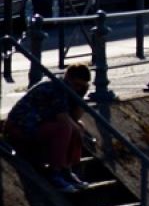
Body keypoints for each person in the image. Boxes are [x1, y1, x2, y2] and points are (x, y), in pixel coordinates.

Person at [4, 64, 92, 192]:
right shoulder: (57, 87)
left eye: (81, 86)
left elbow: (74, 116)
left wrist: (79, 98)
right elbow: (63, 118)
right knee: (67, 127)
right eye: (76, 85)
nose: (77, 88)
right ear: (68, 77)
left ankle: (66, 170)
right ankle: (56, 172)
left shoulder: (68, 89)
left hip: (37, 125)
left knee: (76, 126)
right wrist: (77, 130)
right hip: (20, 127)